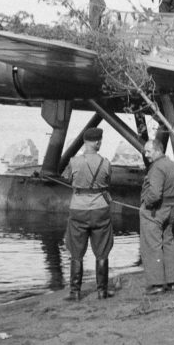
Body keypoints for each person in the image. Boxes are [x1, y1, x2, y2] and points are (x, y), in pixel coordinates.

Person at [63, 127, 114, 300]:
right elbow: (107, 183)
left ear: (84, 142)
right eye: (100, 140)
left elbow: (69, 179)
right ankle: (102, 291)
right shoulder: (106, 163)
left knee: (76, 252)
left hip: (78, 209)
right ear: (97, 142)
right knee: (102, 251)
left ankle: (75, 292)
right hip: (100, 209)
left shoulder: (73, 161)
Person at [140, 140, 174, 294]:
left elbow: (155, 194)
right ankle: (171, 282)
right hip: (170, 209)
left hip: (154, 211)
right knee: (168, 244)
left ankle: (157, 284)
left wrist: (146, 203)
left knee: (152, 246)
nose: (146, 155)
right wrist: (171, 202)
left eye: (148, 151)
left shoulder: (157, 168)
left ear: (158, 150)